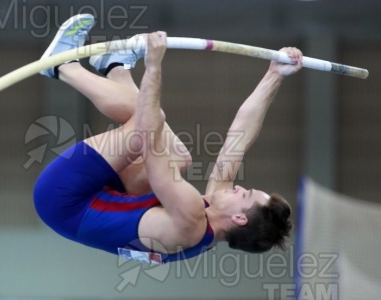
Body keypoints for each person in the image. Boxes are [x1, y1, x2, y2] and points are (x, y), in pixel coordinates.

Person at [34, 14, 300, 264]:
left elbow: (149, 139)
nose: (241, 187)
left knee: (148, 121)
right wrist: (274, 75)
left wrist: (154, 64)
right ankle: (115, 66)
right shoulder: (211, 217)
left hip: (62, 199)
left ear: (240, 218)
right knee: (178, 158)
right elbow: (237, 141)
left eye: (246, 194)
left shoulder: (189, 220)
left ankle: (62, 66)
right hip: (101, 196)